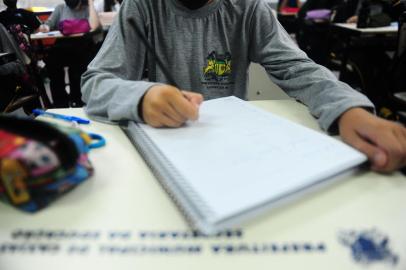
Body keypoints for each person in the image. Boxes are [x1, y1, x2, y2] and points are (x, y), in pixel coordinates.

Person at [81, 0, 406, 173]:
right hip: (163, 152)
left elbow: (298, 68)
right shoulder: (142, 7)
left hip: (234, 154)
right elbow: (95, 83)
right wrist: (141, 97)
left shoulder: (247, 8)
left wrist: (347, 108)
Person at [41, 0, 101, 108]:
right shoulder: (61, 8)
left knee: (78, 68)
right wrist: (45, 28)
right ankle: (60, 103)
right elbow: (49, 24)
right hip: (62, 46)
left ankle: (77, 100)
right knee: (52, 65)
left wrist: (91, 4)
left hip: (82, 46)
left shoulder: (88, 9)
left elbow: (94, 26)